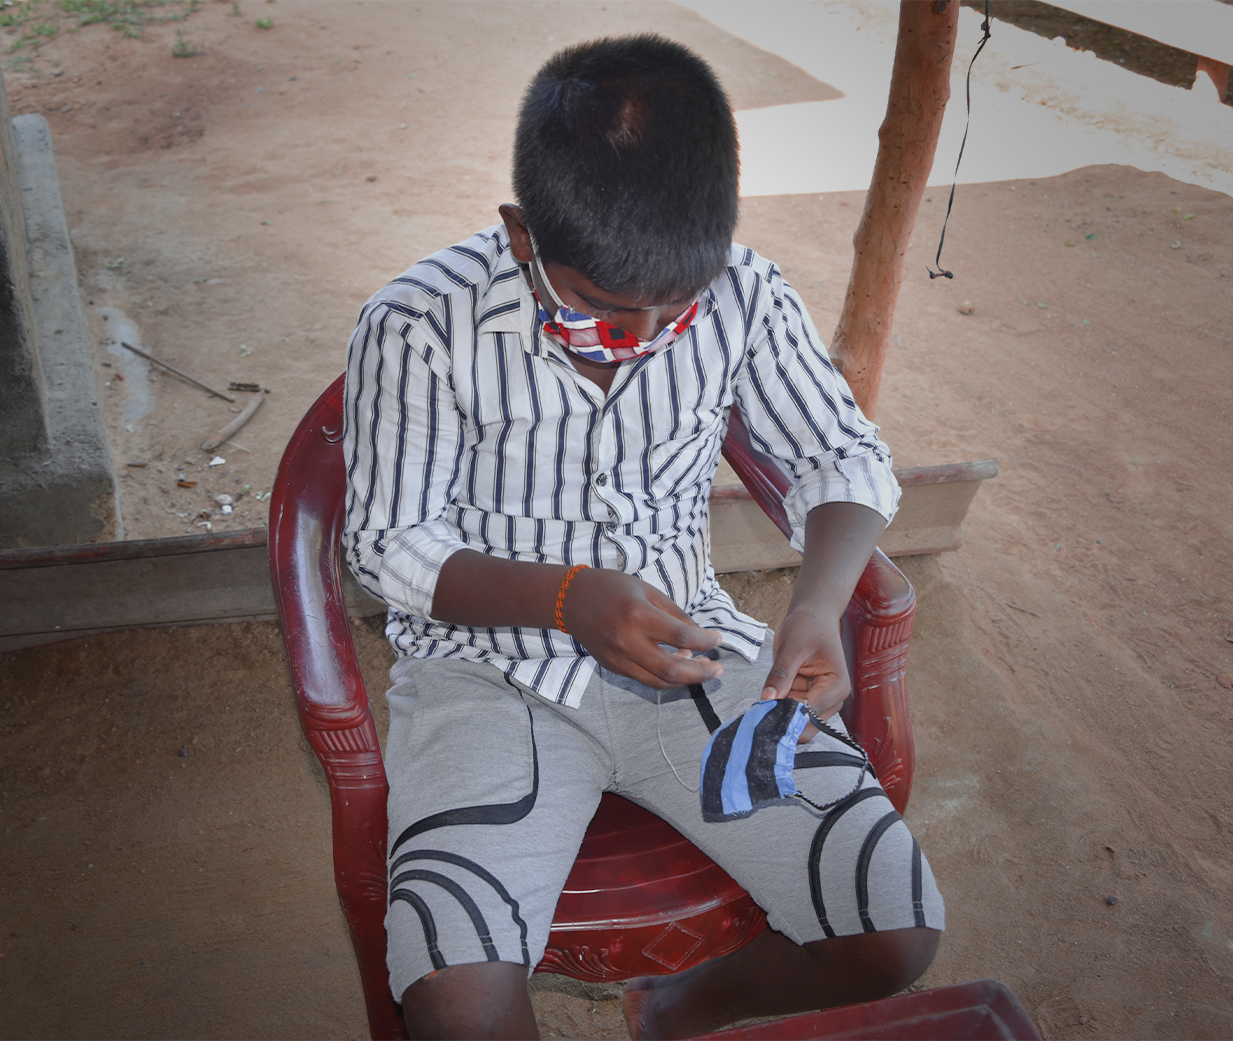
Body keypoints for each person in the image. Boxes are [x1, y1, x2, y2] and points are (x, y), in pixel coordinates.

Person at [341, 34, 943, 1040]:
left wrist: (813, 606)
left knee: (892, 933)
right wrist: (569, 599)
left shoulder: (745, 294)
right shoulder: (417, 323)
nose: (653, 333)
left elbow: (841, 457)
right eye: (606, 309)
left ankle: (672, 1012)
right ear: (522, 235)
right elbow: (388, 543)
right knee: (459, 1009)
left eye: (678, 303)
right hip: (486, 680)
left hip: (696, 657)